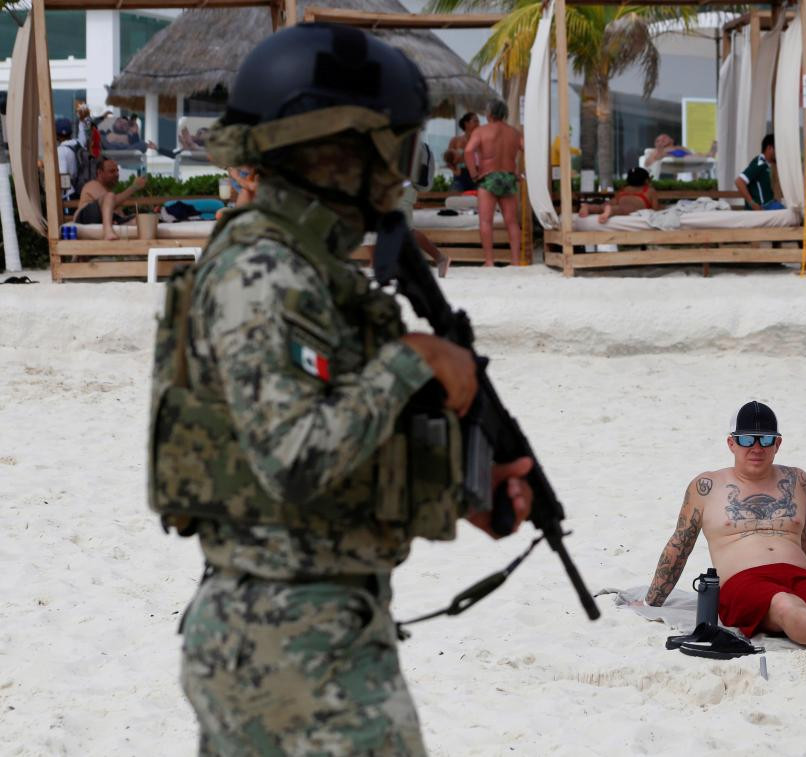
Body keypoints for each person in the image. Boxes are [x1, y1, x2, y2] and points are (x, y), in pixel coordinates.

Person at [149, 24, 534, 754]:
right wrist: (413, 361)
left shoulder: (300, 268)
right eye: (390, 149)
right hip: (294, 649)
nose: (397, 171)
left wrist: (457, 489)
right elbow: (294, 459)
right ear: (335, 150)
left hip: (301, 630)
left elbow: (316, 440)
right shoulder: (265, 275)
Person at [645, 401, 806, 650]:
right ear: (731, 443)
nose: (756, 448)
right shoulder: (707, 486)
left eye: (766, 440)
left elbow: (804, 539)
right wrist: (652, 600)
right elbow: (679, 544)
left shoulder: (796, 480)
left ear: (777, 444)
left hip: (799, 574)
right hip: (744, 580)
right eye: (747, 440)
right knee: (784, 604)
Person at [464, 100, 524, 266]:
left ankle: (489, 261)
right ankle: (515, 261)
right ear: (504, 114)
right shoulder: (514, 133)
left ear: (488, 114)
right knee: (511, 221)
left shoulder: (481, 131)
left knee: (485, 221)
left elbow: (468, 151)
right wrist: (517, 170)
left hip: (488, 177)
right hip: (508, 177)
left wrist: (473, 173)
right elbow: (527, 149)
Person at [75, 158, 148, 240]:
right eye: (112, 171)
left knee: (140, 220)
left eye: (117, 171)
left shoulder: (108, 191)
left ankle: (113, 228)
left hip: (102, 219)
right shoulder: (93, 184)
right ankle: (108, 232)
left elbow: (116, 210)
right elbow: (113, 201)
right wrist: (134, 187)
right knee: (109, 196)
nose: (117, 174)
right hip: (85, 217)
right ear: (99, 172)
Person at [578, 166, 659, 223]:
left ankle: (588, 207)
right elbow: (655, 209)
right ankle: (610, 210)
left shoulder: (624, 189)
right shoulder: (650, 191)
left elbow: (616, 200)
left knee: (603, 206)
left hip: (622, 198)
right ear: (646, 180)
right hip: (638, 201)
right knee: (622, 209)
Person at [735, 134, 783, 211]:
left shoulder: (767, 164)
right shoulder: (759, 163)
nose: (778, 153)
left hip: (769, 204)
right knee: (792, 215)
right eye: (777, 149)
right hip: (764, 207)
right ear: (769, 148)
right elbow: (739, 182)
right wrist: (752, 204)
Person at [446, 112, 479, 192]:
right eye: (475, 121)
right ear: (466, 123)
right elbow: (448, 160)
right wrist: (455, 171)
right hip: (459, 179)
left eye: (478, 121)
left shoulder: (480, 142)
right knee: (455, 199)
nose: (478, 124)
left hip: (476, 180)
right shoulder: (455, 141)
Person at [54, 117, 83, 201]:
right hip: (81, 189)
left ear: (56, 134)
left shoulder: (60, 150)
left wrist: (63, 194)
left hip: (69, 194)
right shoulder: (78, 144)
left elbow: (63, 174)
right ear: (71, 132)